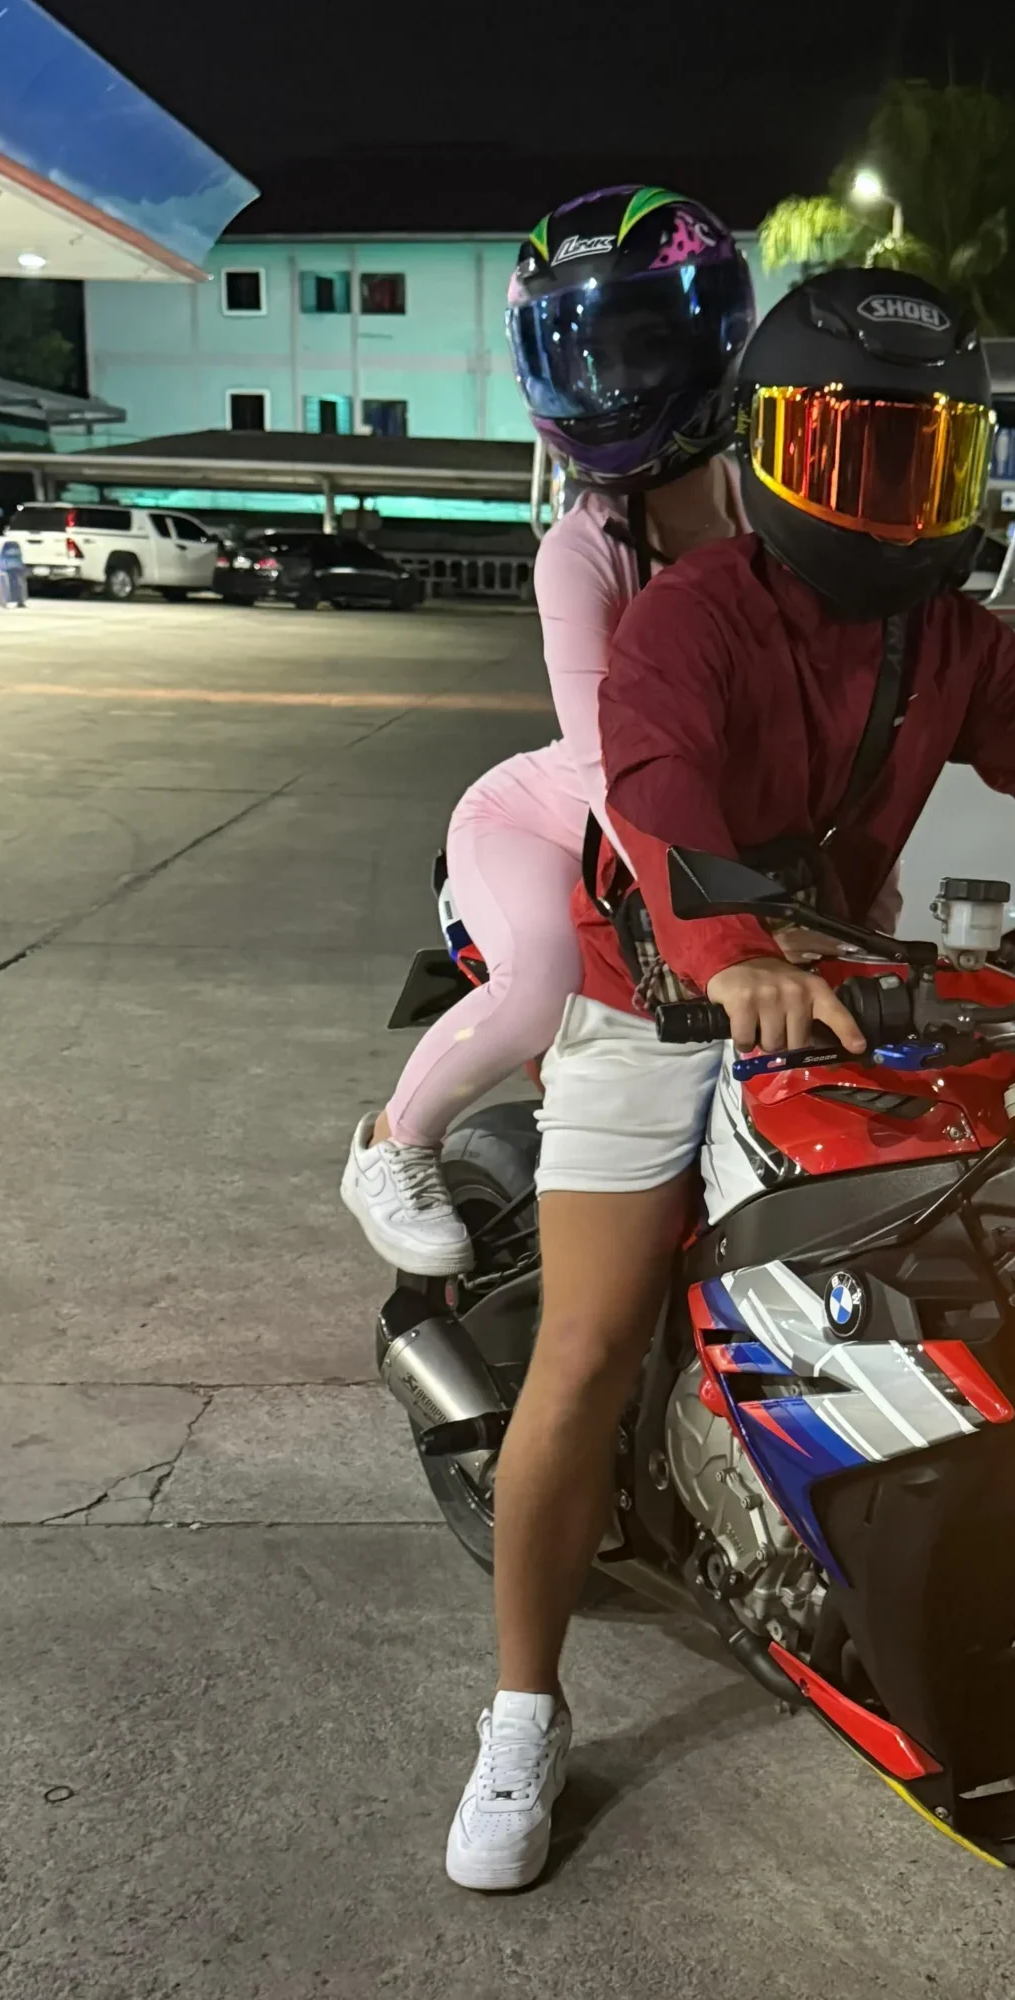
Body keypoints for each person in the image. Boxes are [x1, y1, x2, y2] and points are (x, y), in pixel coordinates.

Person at [443, 267, 1015, 1893]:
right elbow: (653, 784)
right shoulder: (691, 616)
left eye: (926, 461)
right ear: (769, 452)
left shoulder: (951, 641)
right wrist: (728, 950)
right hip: (655, 987)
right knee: (582, 1347)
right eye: (851, 455)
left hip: (843, 984)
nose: (888, 500)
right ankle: (521, 1705)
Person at [339, 185, 756, 1276]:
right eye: (581, 354)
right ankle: (392, 1143)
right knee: (539, 982)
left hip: (674, 830)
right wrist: (721, 930)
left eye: (639, 345)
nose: (609, 381)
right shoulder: (581, 552)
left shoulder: (766, 518)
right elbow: (611, 767)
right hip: (544, 821)